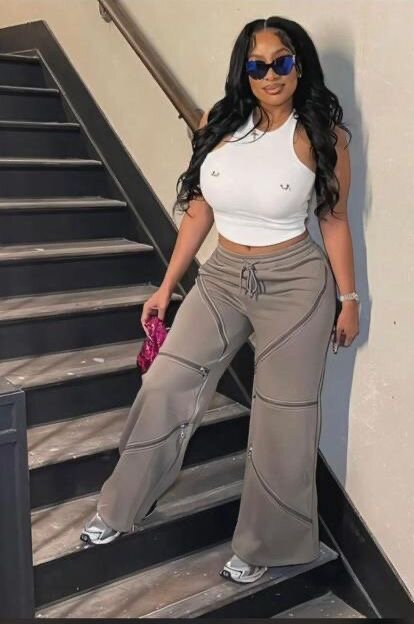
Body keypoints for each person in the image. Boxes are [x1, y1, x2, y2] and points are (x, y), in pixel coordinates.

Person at [80, 15, 359, 584]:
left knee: (282, 419)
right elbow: (201, 209)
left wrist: (349, 298)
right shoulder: (219, 122)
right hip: (223, 274)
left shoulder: (321, 135)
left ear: (299, 65)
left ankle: (265, 544)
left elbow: (333, 220)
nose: (270, 75)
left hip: (295, 284)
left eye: (282, 62)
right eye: (258, 65)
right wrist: (166, 286)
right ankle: (122, 505)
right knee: (165, 383)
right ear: (244, 71)